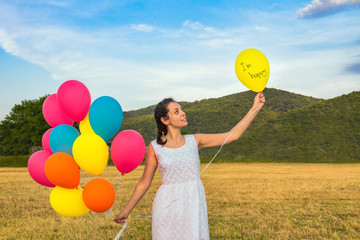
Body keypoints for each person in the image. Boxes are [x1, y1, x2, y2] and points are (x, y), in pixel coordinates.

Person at [114, 92, 266, 239]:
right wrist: (126, 211)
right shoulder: (155, 147)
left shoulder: (195, 141)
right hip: (167, 207)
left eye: (182, 109)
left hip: (193, 205)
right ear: (165, 120)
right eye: (177, 111)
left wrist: (255, 107)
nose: (183, 113)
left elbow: (232, 135)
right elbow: (144, 182)